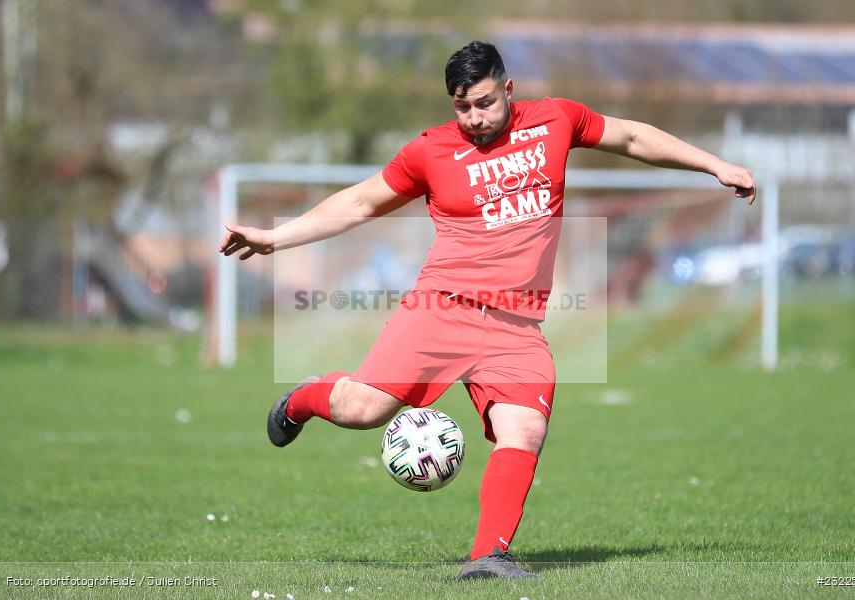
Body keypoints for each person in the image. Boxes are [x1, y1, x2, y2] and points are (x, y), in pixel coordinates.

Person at [219, 41, 756, 580]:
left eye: (483, 103)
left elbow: (633, 136)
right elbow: (359, 202)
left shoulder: (556, 121)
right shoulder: (430, 151)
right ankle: (307, 396)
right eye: (461, 107)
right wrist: (274, 238)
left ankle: (489, 556)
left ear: (508, 88)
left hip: (516, 326)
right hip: (440, 310)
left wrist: (714, 165)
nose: (473, 118)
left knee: (524, 429)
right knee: (361, 411)